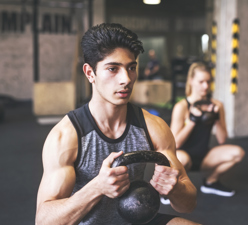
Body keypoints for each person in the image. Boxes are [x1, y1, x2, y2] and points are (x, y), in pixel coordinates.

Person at [35, 23, 199, 225]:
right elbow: (43, 221)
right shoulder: (66, 136)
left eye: (131, 68)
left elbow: (188, 204)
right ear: (90, 73)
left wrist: (176, 189)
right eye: (113, 69)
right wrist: (97, 187)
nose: (126, 79)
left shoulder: (153, 127)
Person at [170, 62, 245, 197]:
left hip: (204, 156)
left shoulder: (216, 105)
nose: (205, 86)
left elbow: (222, 139)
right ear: (191, 81)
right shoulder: (181, 107)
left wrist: (216, 117)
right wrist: (192, 120)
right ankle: (171, 190)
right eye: (201, 82)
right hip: (183, 157)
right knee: (182, 159)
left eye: (208, 81)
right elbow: (174, 144)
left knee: (237, 153)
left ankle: (211, 182)